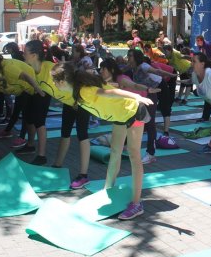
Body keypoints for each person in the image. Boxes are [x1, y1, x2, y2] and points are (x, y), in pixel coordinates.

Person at [51, 62, 152, 220]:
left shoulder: (85, 91)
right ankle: (108, 189)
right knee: (114, 152)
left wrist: (137, 96)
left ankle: (137, 204)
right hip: (120, 114)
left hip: (133, 111)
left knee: (134, 156)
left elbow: (111, 92)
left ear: (62, 82)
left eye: (54, 81)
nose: (54, 84)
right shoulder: (77, 89)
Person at [23, 40, 91, 188]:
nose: (23, 55)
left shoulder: (49, 69)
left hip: (81, 100)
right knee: (65, 133)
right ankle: (57, 165)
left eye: (25, 52)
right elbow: (40, 90)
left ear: (34, 55)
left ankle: (84, 175)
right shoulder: (34, 71)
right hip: (69, 103)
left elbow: (73, 76)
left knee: (82, 135)